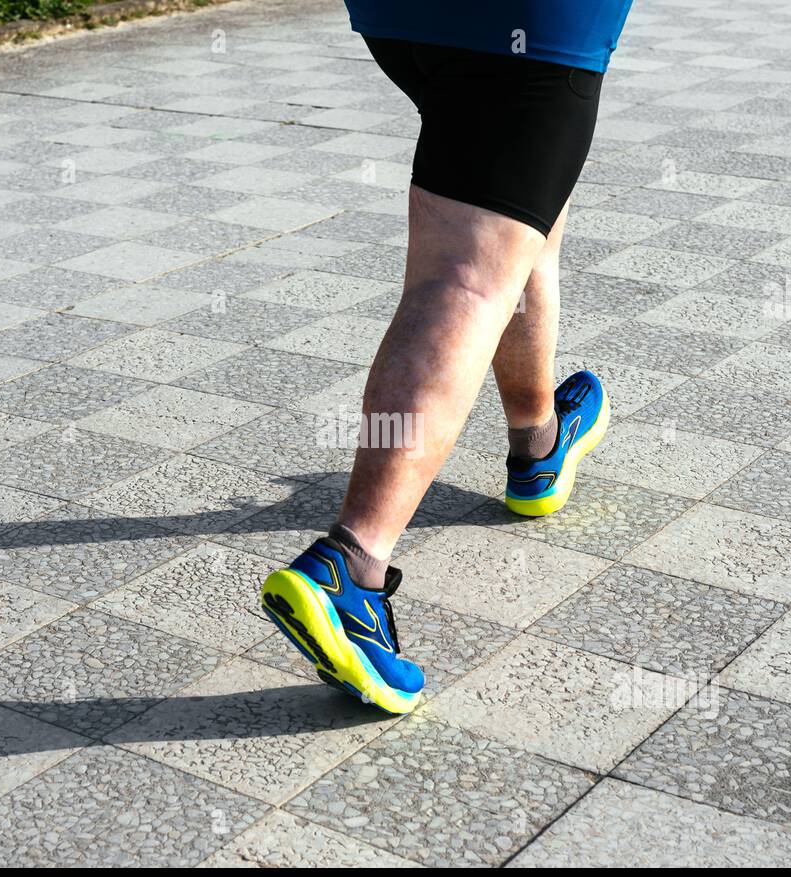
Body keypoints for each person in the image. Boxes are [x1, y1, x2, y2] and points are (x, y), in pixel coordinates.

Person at [260, 0, 633, 714]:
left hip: (400, 19)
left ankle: (538, 444)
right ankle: (352, 566)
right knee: (464, 279)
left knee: (518, 218)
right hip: (538, 23)